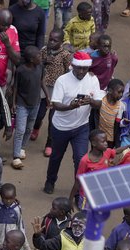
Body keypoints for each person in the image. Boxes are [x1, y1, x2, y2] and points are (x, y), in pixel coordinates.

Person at [44, 51, 101, 194]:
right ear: (72, 66)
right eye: (79, 68)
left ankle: (78, 191)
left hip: (81, 127)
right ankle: (50, 181)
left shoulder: (93, 79)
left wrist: (91, 101)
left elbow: (98, 104)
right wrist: (71, 106)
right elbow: (55, 104)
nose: (81, 71)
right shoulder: (62, 80)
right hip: (61, 127)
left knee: (81, 159)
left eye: (85, 68)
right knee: (56, 156)